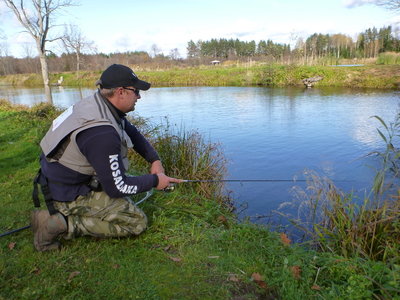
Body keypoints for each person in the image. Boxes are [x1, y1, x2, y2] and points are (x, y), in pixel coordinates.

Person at [32, 64, 182, 251]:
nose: (139, 97)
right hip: (68, 192)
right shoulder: (101, 133)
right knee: (136, 222)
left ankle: (53, 215)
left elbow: (132, 132)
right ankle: (61, 223)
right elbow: (117, 187)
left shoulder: (99, 103)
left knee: (126, 202)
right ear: (120, 92)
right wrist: (155, 181)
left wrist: (155, 160)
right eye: (136, 91)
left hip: (59, 179)